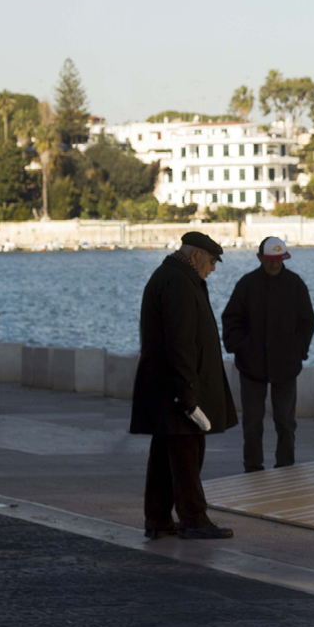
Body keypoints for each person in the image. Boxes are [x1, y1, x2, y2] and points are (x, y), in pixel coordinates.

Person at [131, 231, 238, 540]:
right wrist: (188, 393)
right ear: (195, 257)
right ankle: (193, 519)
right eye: (211, 261)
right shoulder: (178, 282)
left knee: (165, 457)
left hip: (165, 388)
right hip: (177, 390)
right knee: (186, 456)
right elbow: (181, 342)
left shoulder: (171, 276)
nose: (213, 268)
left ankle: (158, 519)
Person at [222, 237, 314, 473]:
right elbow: (231, 319)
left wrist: (298, 351)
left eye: (279, 260)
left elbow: (307, 322)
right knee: (252, 423)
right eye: (270, 260)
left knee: (285, 422)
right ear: (260, 258)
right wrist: (241, 347)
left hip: (286, 366)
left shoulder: (296, 285)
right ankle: (253, 468)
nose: (275, 265)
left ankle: (285, 466)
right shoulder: (246, 285)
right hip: (251, 367)